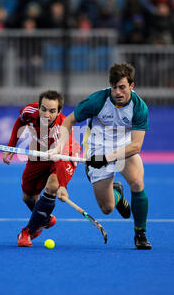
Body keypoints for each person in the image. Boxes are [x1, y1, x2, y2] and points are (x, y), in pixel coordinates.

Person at [49, 62, 151, 249]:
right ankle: (117, 194)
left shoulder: (139, 107)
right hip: (97, 147)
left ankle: (140, 234)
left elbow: (136, 145)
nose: (118, 92)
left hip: (124, 147)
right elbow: (69, 120)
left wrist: (108, 158)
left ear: (131, 86)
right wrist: (59, 147)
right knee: (107, 208)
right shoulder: (98, 100)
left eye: (122, 87)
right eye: (114, 87)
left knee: (137, 182)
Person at [3, 90, 80, 247]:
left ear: (59, 112)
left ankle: (27, 232)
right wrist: (11, 146)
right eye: (43, 109)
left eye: (52, 111)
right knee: (28, 198)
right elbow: (20, 122)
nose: (46, 114)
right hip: (38, 155)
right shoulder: (30, 111)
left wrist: (62, 186)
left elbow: (60, 161)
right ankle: (44, 219)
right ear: (39, 107)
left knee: (52, 186)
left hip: (63, 156)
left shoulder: (62, 129)